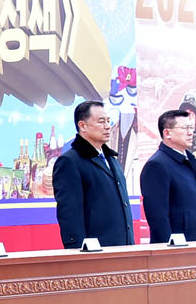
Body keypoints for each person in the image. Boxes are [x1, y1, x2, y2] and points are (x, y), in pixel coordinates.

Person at [52, 100, 134, 248]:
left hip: (124, 248)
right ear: (82, 126)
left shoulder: (111, 159)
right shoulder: (70, 161)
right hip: (96, 251)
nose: (107, 126)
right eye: (101, 121)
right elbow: (70, 213)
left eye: (108, 121)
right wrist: (77, 251)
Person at [139, 108, 196, 243]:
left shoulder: (189, 159)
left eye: (191, 127)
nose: (190, 132)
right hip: (180, 250)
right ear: (167, 133)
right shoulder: (157, 165)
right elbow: (158, 218)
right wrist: (168, 249)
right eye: (185, 128)